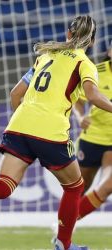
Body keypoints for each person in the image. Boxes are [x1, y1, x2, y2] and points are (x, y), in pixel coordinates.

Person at [0, 15, 112, 250]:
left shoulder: (45, 56)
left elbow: (14, 94)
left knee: (5, 184)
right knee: (75, 187)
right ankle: (63, 244)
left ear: (67, 34)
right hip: (51, 131)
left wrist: (25, 125)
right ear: (91, 42)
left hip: (19, 126)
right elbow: (92, 95)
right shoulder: (85, 63)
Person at [73, 43, 112, 220]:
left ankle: (62, 228)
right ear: (110, 52)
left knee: (106, 188)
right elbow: (77, 101)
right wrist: (81, 118)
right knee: (78, 191)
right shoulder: (96, 72)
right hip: (92, 139)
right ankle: (63, 232)